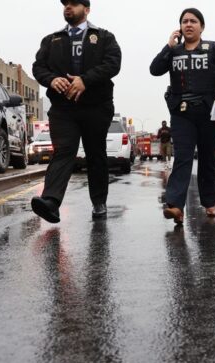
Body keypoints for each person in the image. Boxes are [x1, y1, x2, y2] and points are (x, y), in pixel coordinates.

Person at [30, 0, 122, 222]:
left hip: (96, 107)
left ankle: (99, 203)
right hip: (63, 109)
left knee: (95, 153)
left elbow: (113, 64)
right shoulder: (52, 40)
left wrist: (85, 81)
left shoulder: (104, 37)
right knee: (64, 150)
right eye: (65, 4)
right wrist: (52, 80)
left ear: (87, 9)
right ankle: (50, 202)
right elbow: (38, 67)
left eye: (74, 4)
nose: (68, 8)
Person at [150, 8, 215, 224]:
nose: (188, 24)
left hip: (209, 111)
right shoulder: (174, 51)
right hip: (182, 112)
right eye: (184, 21)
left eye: (193, 21)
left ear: (201, 27)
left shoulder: (213, 48)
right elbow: (155, 69)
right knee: (183, 157)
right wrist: (168, 47)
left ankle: (209, 202)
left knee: (207, 157)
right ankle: (176, 205)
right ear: (180, 27)